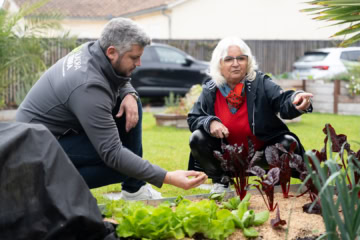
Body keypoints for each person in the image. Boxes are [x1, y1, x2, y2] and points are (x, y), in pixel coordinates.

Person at [16, 17, 207, 200]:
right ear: (112, 52)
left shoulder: (92, 49)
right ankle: (48, 188)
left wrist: (129, 93)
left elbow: (116, 75)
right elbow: (113, 153)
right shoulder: (88, 87)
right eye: (134, 57)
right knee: (121, 166)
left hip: (48, 137)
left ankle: (134, 189)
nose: (139, 63)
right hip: (34, 150)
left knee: (133, 106)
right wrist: (168, 177)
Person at [187, 36, 313, 194]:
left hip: (262, 155)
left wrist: (296, 98)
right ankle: (221, 183)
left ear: (248, 62)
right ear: (219, 63)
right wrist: (210, 122)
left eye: (241, 58)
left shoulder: (260, 83)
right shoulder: (211, 89)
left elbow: (282, 100)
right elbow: (193, 118)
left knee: (288, 142)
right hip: (226, 156)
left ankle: (277, 185)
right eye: (228, 59)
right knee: (197, 138)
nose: (235, 64)